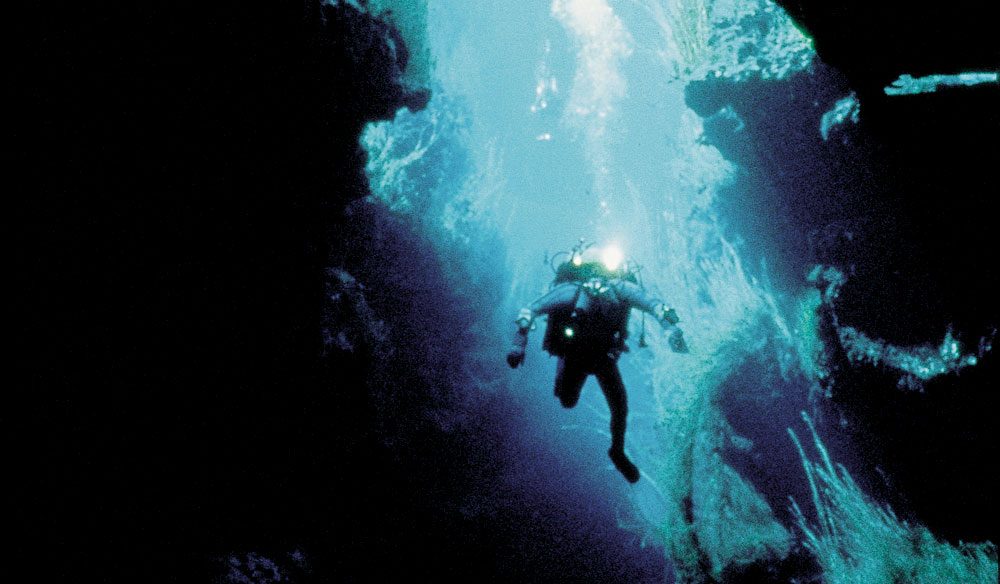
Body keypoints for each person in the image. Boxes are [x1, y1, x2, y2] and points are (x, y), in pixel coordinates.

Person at [506, 243, 688, 483]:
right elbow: (531, 310)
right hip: (577, 356)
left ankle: (617, 451)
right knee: (568, 401)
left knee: (620, 406)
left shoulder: (616, 289)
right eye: (593, 275)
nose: (597, 283)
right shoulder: (576, 291)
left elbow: (655, 306)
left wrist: (670, 329)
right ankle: (563, 375)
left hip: (602, 358)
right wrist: (519, 344)